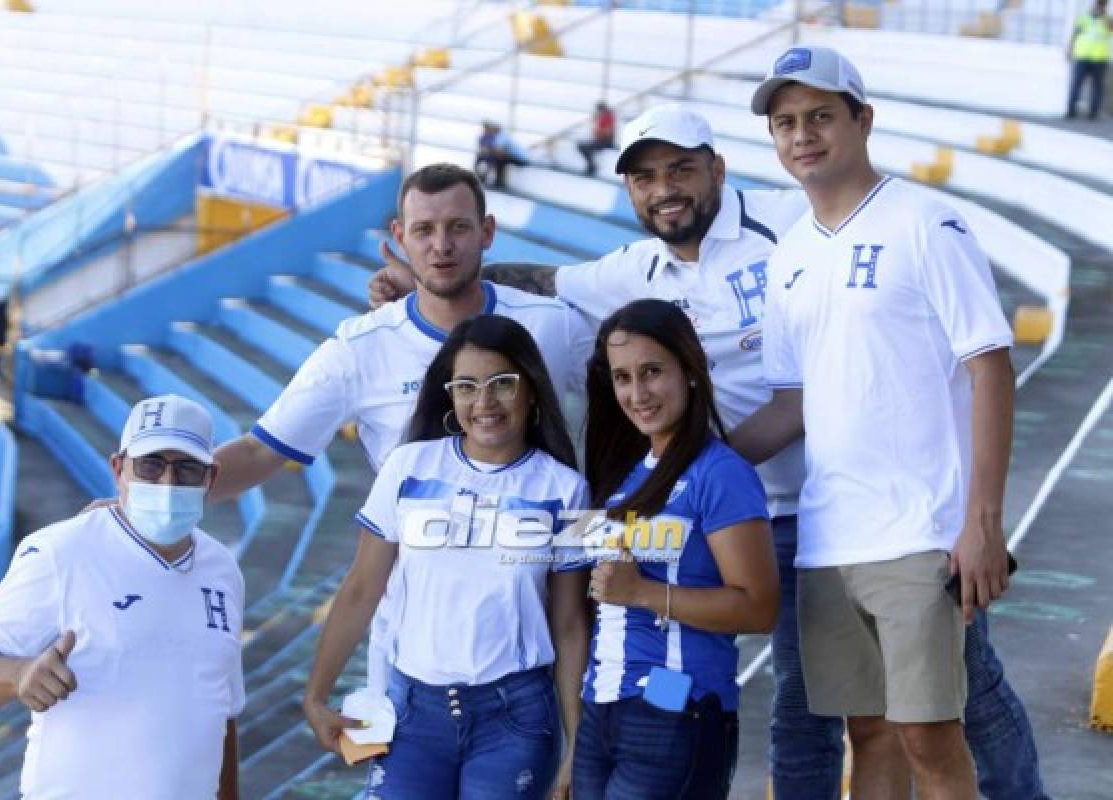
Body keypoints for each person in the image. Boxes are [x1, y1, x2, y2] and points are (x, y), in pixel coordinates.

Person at [371, 102, 1048, 800]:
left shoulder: (790, 224)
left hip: (849, 505)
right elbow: (546, 281)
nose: (664, 188)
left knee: (964, 691)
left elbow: (915, 295)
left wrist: (977, 514)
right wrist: (424, 282)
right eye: (645, 177)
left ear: (717, 168)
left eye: (681, 169)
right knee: (809, 711)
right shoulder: (633, 269)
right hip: (742, 509)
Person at [748, 45, 1022, 799]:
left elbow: (991, 367)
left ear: (863, 120)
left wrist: (983, 523)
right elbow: (790, 404)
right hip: (828, 538)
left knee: (930, 737)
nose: (802, 135)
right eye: (785, 123)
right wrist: (689, 465)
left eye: (820, 117)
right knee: (866, 734)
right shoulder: (790, 255)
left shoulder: (926, 220)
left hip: (920, 529)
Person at [209, 163, 590, 697]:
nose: (441, 245)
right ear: (399, 237)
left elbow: (638, 388)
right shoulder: (360, 348)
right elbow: (257, 452)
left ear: (487, 231)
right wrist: (144, 494)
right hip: (416, 636)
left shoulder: (551, 324)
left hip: (535, 627)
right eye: (424, 231)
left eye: (458, 227)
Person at [302, 315, 590, 799]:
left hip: (516, 718)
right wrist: (315, 696)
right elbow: (360, 590)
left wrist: (577, 744)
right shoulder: (407, 466)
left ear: (532, 390)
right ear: (450, 395)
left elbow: (570, 625)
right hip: (413, 712)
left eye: (502, 384)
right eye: (467, 386)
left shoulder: (568, 489)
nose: (485, 403)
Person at [0, 395, 243, 800]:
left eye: (187, 468)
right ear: (118, 469)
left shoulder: (223, 568)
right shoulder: (61, 551)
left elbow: (221, 711)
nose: (167, 483)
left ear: (210, 478)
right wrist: (19, 675)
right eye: (151, 465)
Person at [572, 298, 778, 799]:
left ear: (689, 370)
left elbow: (758, 607)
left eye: (651, 372)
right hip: (601, 710)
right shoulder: (622, 475)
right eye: (622, 378)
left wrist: (642, 592)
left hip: (675, 708)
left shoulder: (721, 474)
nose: (637, 393)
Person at [1067, 0, 1110, 119]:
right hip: (1082, 56)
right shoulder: (1084, 18)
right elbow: (1075, 34)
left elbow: (1110, 30)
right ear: (1094, 5)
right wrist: (1069, 49)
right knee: (1076, 84)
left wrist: (1104, 17)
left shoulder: (1107, 20)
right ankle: (1071, 110)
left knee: (1097, 87)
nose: (1100, 7)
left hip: (1099, 58)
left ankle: (1093, 113)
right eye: (1099, 4)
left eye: (1103, 5)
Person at [476, 120, 530, 189]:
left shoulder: (501, 136)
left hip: (521, 159)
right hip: (516, 157)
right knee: (492, 158)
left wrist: (489, 152)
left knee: (498, 160)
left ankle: (499, 182)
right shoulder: (496, 135)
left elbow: (499, 151)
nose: (488, 130)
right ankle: (493, 180)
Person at [576, 102, 617, 176]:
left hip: (605, 141)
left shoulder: (607, 118)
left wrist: (597, 129)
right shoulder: (604, 117)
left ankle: (592, 166)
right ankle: (592, 165)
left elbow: (606, 132)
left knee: (583, 147)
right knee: (581, 145)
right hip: (601, 140)